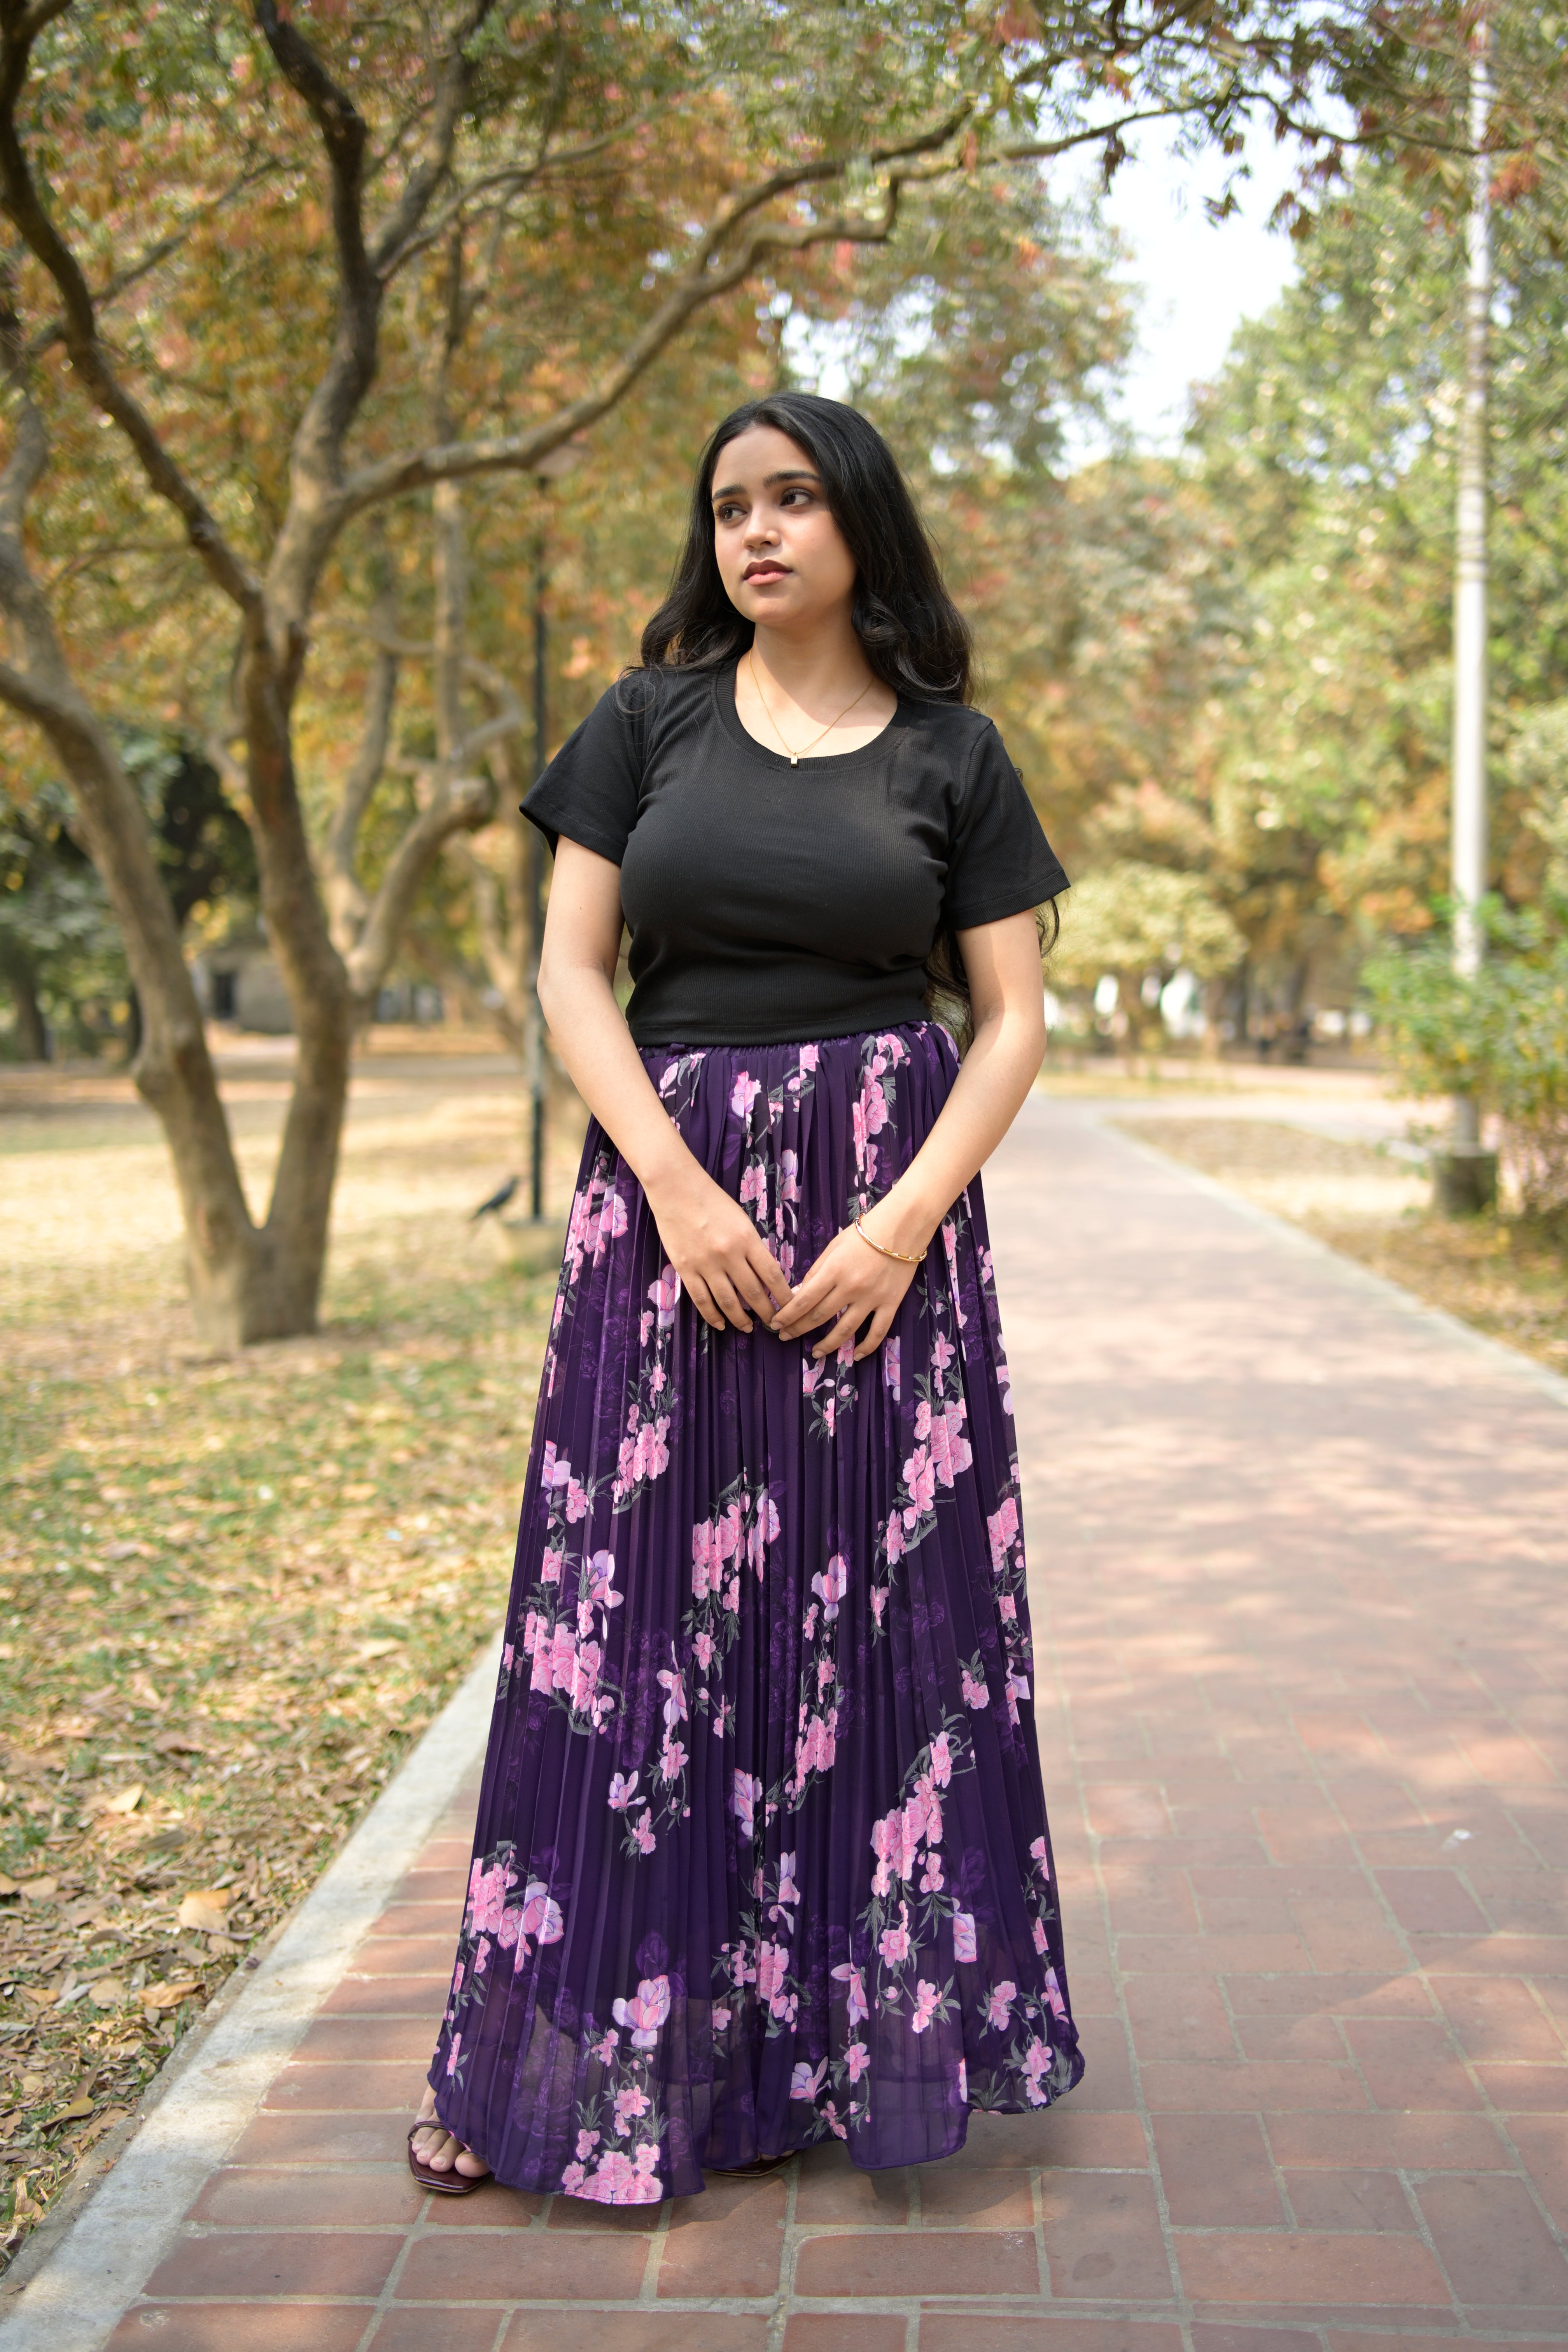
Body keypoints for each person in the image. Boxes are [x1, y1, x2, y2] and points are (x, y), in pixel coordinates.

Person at [409, 392, 1084, 2203]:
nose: (756, 531)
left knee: (872, 1637)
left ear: (861, 520)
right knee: (628, 1637)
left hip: (888, 1245)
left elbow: (1010, 1016)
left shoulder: (957, 751)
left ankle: (840, 2050)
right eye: (728, 507)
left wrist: (899, 1226)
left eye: (793, 498)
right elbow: (569, 977)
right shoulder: (647, 722)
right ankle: (556, 2059)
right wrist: (678, 1187)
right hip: (668, 1223)